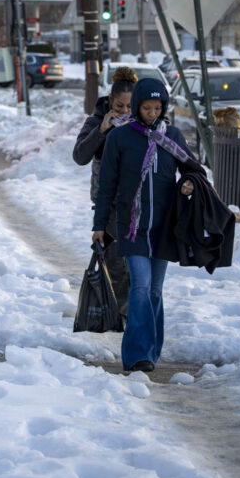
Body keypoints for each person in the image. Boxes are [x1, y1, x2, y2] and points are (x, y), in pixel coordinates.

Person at [92, 77, 203, 374]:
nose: (152, 113)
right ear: (137, 107)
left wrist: (189, 184)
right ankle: (138, 355)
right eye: (146, 108)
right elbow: (107, 186)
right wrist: (99, 224)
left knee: (155, 290)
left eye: (157, 108)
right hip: (132, 227)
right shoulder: (120, 138)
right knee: (140, 287)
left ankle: (152, 350)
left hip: (164, 228)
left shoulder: (174, 137)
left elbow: (195, 172)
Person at [73, 66, 138, 313]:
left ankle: (135, 311)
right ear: (110, 100)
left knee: (137, 262)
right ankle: (121, 312)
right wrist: (101, 130)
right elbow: (79, 156)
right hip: (107, 203)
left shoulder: (143, 121)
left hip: (136, 202)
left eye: (129, 107)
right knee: (115, 262)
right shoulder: (95, 120)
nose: (124, 111)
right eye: (119, 106)